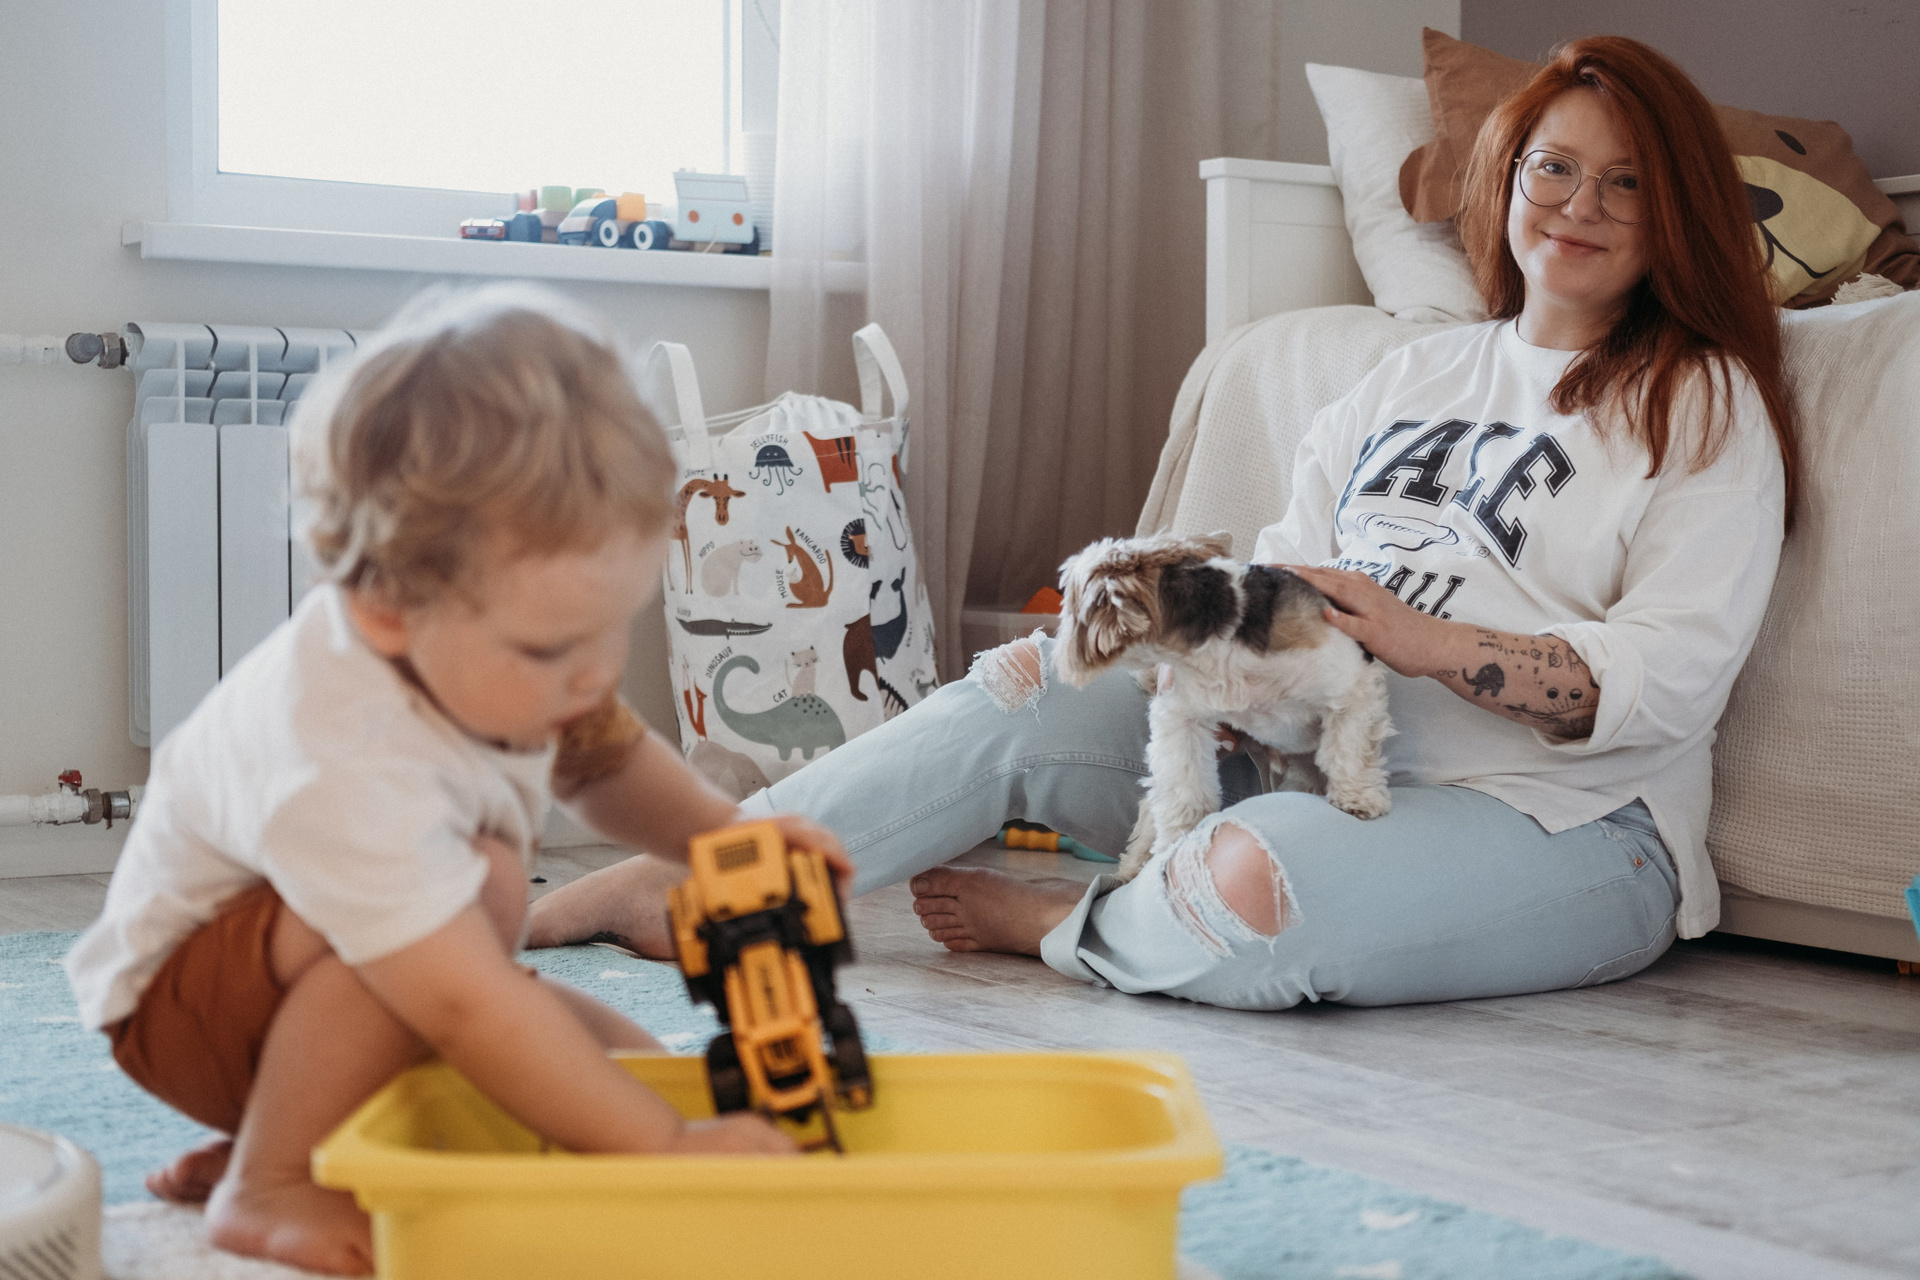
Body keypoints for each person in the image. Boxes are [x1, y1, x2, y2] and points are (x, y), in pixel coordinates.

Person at [529, 37, 1794, 1015]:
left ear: (1673, 211)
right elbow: (1284, 576)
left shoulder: (1701, 401)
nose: (1578, 204)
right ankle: (698, 878)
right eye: (1553, 168)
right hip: (1303, 750)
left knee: (1261, 872)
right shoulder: (1412, 375)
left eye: (1625, 182)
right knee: (1026, 685)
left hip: (1558, 823)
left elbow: (1676, 674)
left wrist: (1430, 642)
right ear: (1509, 182)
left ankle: (1067, 924)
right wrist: (1202, 664)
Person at [64, 286, 848, 1276]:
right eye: (553, 646)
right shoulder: (340, 744)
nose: (592, 675)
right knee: (491, 960)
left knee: (626, 1064)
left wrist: (724, 836)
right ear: (385, 608)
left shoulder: (505, 652)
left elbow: (607, 761)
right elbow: (463, 1004)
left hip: (327, 976)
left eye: (612, 626)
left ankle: (317, 1127)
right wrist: (662, 1147)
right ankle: (272, 1178)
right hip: (185, 1011)